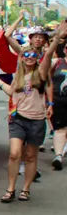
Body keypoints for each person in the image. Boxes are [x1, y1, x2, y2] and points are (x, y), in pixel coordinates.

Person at [0, 27, 61, 202]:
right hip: (18, 119)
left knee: (30, 156)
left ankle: (26, 189)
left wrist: (57, 36)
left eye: (33, 56)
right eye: (26, 55)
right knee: (15, 153)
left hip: (37, 120)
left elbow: (49, 53)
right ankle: (10, 189)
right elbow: (11, 91)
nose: (29, 58)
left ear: (38, 58)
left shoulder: (41, 72)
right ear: (21, 57)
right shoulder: (19, 75)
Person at [49, 30, 67, 170]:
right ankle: (58, 156)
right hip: (59, 101)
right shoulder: (57, 62)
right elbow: (45, 77)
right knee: (60, 128)